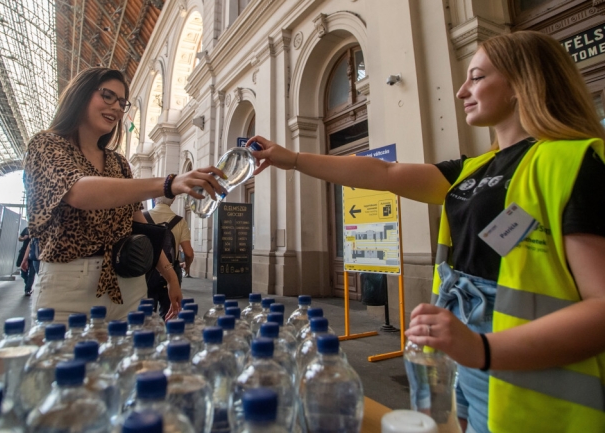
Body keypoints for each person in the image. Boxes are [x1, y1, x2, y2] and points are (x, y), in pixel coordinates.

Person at [247, 31, 605, 433]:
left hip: (529, 371)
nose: (460, 90)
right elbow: (385, 173)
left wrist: (483, 348)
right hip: (464, 350)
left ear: (523, 83)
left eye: (477, 77)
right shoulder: (473, 170)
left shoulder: (577, 162)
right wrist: (291, 159)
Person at [23, 67, 225, 324]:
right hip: (68, 290)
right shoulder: (46, 145)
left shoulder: (118, 163)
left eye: (121, 102)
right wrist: (168, 183)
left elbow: (138, 224)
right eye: (107, 96)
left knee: (128, 362)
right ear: (81, 94)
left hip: (129, 283)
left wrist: (170, 276)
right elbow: (79, 191)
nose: (117, 108)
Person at [144, 196, 194, 318]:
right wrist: (187, 267)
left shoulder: (143, 217)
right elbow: (188, 252)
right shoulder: (180, 221)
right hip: (171, 274)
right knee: (169, 313)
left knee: (146, 315)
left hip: (146, 273)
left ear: (155, 200)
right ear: (172, 201)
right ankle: (167, 334)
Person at [17, 227, 32, 295]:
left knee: (32, 273)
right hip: (23, 252)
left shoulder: (39, 228)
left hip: (33, 254)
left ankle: (27, 289)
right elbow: (19, 238)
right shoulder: (26, 229)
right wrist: (24, 238)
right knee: (23, 273)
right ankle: (28, 283)